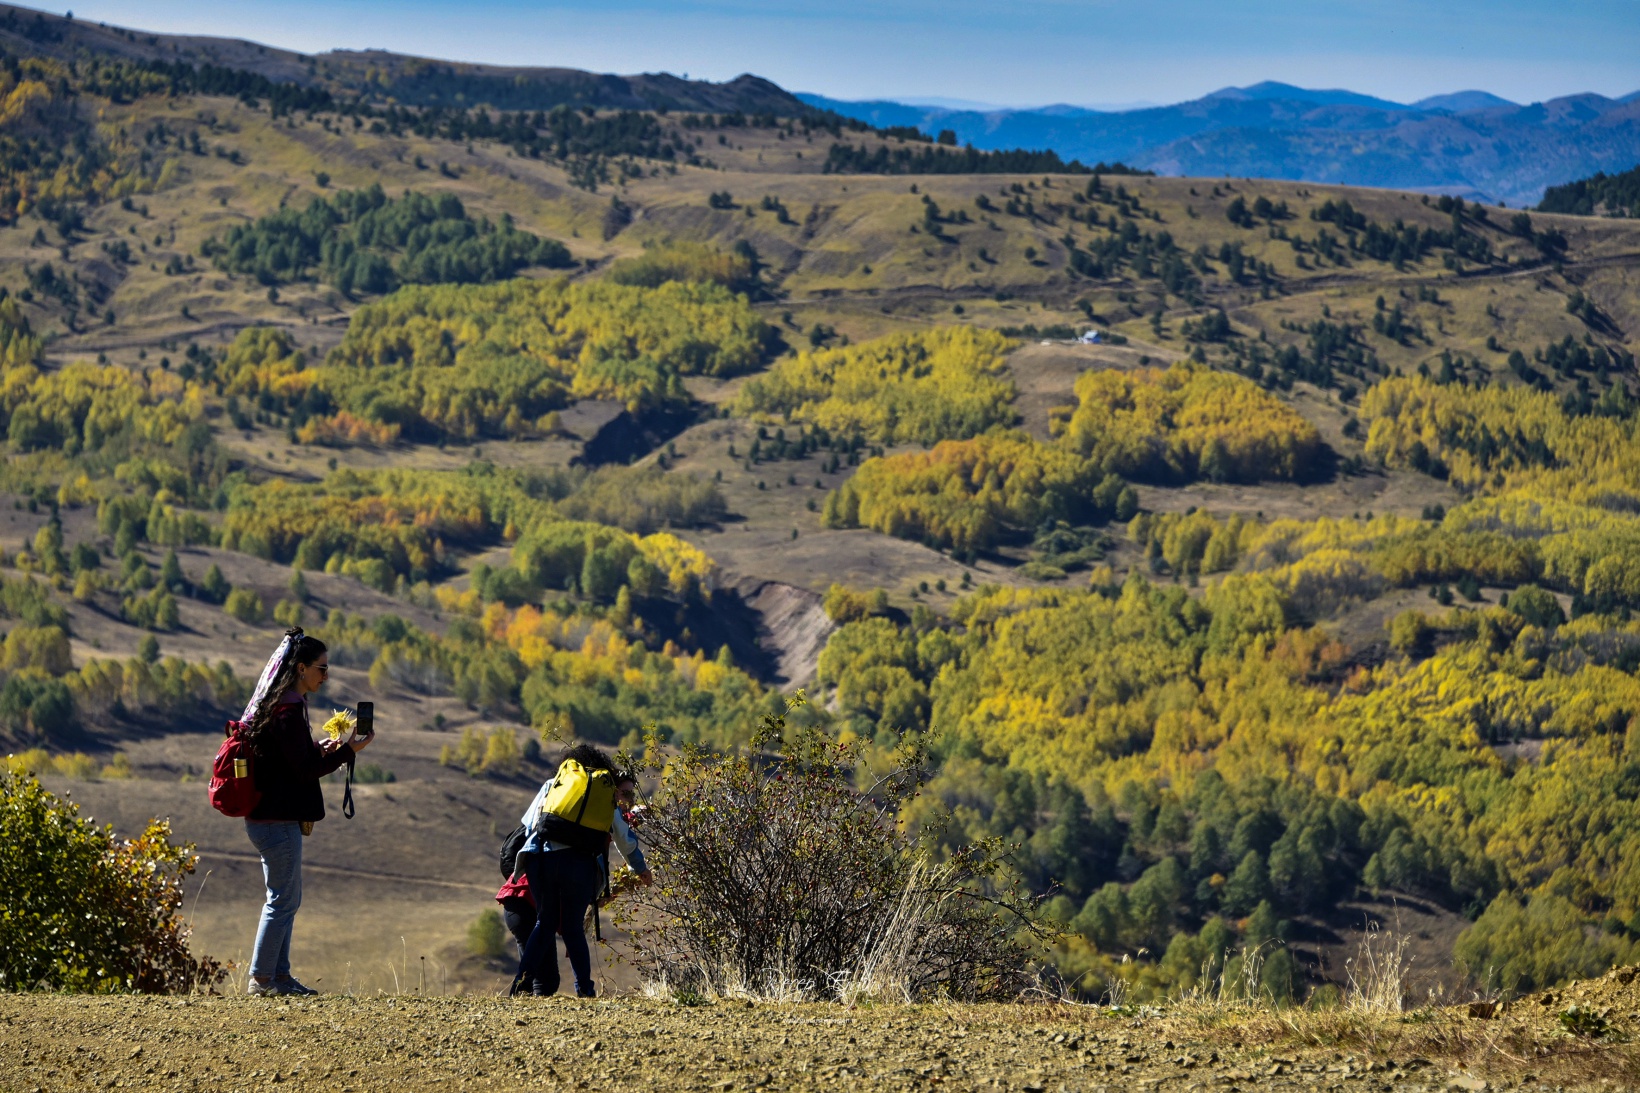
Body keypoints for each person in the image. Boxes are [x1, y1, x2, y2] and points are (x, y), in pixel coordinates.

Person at [239, 629, 374, 997]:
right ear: (300, 668)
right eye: (322, 668)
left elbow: (292, 759)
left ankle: (278, 977)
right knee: (282, 900)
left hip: (269, 818)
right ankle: (263, 979)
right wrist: (348, 752)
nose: (325, 676)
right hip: (277, 821)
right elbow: (301, 771)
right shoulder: (287, 710)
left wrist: (321, 748)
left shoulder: (281, 705)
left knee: (286, 899)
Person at [513, 745, 651, 997]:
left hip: (542, 858)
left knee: (544, 923)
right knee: (573, 927)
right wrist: (640, 868)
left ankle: (519, 986)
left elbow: (530, 824)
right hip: (579, 865)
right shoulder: (605, 793)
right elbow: (623, 839)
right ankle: (584, 991)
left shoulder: (552, 784)